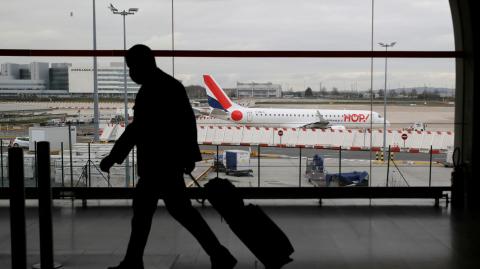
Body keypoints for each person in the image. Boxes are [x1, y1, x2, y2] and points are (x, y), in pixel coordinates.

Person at [100, 44, 237, 269]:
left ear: (142, 64)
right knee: (176, 214)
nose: (131, 73)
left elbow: (138, 129)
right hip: (169, 164)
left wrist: (113, 157)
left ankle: (135, 261)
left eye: (132, 67)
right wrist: (189, 156)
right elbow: (187, 124)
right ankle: (219, 255)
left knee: (148, 216)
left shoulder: (151, 90)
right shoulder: (171, 86)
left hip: (157, 165)